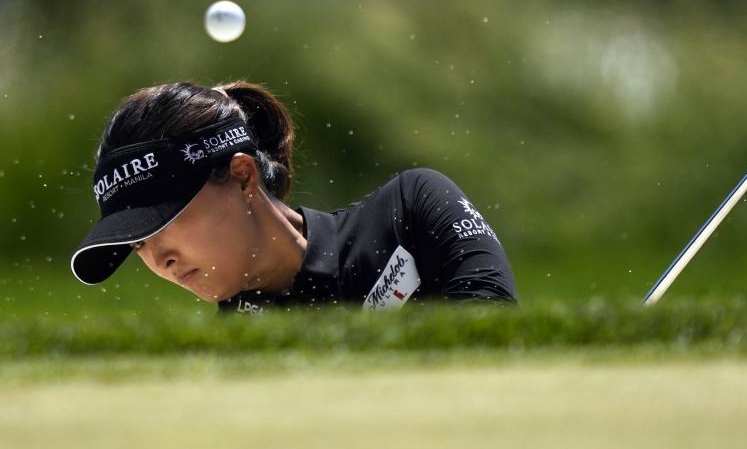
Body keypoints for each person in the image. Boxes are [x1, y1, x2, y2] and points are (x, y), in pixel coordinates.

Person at [69, 81, 517, 314]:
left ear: (243, 176)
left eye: (165, 223)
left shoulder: (411, 209)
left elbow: (494, 337)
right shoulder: (240, 349)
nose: (160, 260)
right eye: (139, 243)